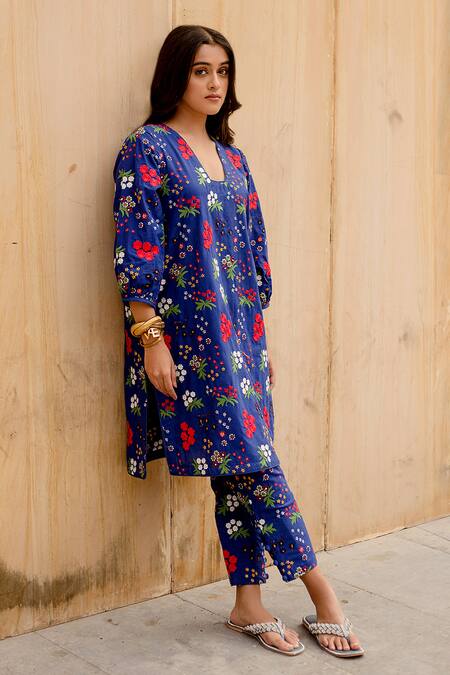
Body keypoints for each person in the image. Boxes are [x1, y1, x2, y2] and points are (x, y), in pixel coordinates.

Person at [112, 24, 364, 659]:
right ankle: (323, 595)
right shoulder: (148, 148)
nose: (214, 83)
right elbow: (138, 247)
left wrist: (259, 342)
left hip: (242, 341)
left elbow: (251, 257)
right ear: (176, 75)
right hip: (190, 344)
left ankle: (247, 602)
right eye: (201, 70)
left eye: (222, 71)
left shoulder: (234, 157)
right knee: (256, 463)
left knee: (238, 470)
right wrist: (151, 339)